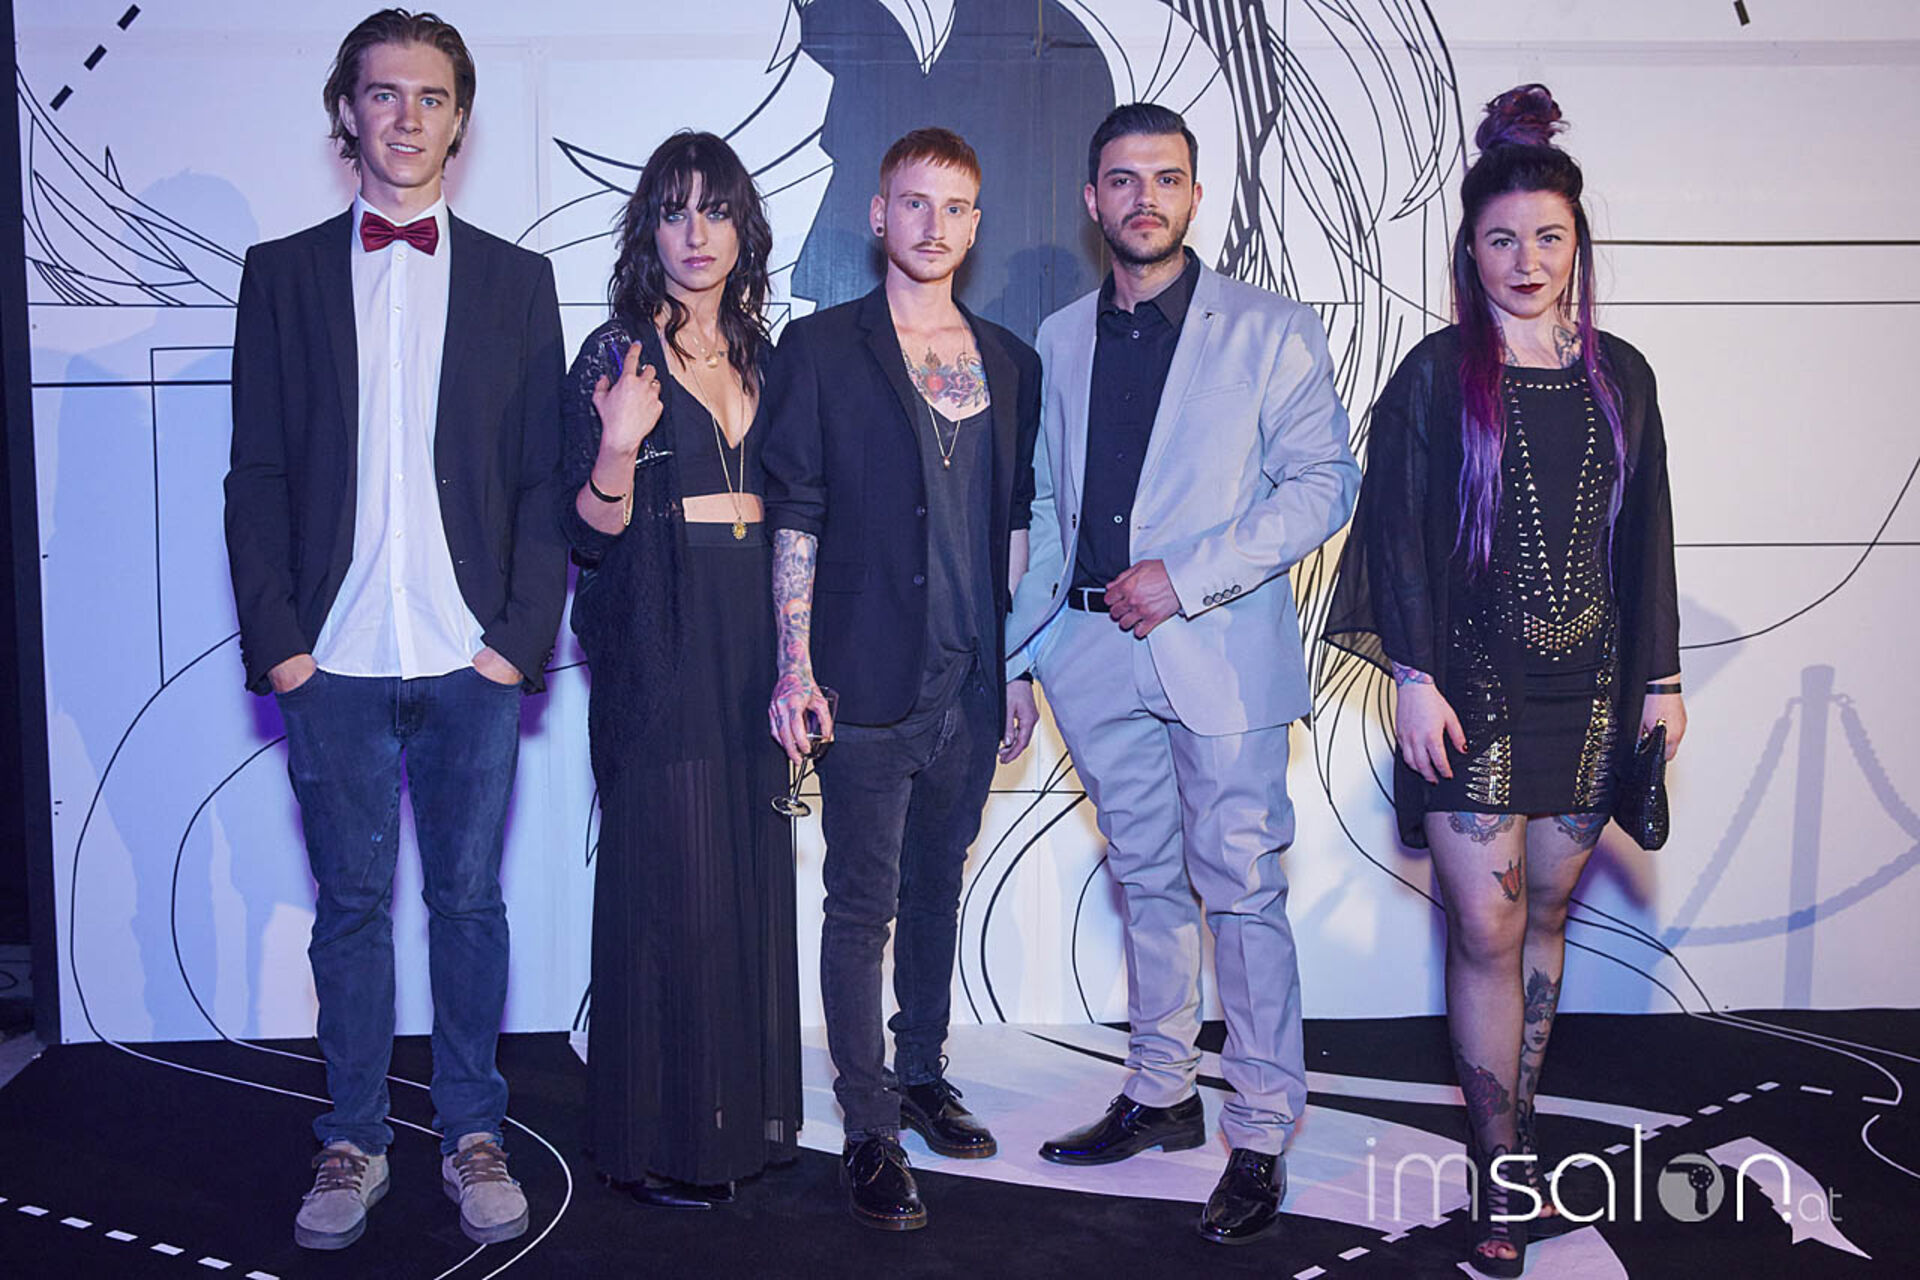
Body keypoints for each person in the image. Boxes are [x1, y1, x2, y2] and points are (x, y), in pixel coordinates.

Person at [1322, 84, 1685, 1276]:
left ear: (1578, 245)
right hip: (1469, 693)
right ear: (1468, 251)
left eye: (1548, 237)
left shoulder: (1624, 375)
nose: (1526, 260)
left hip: (1590, 694)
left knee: (1546, 925)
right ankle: (1499, 1166)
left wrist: (1661, 678)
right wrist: (1412, 675)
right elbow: (1392, 535)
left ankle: (1516, 1134)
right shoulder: (1434, 375)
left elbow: (1649, 537)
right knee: (1487, 927)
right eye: (1501, 239)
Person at [223, 8, 566, 1251]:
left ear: (459, 119)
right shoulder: (283, 274)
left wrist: (515, 640)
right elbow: (256, 473)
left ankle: (473, 1130)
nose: (407, 116)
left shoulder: (519, 283)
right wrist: (283, 647)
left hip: (472, 659)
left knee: (470, 905)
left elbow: (542, 479)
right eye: (384, 93)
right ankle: (354, 1138)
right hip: (334, 661)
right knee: (352, 912)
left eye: (430, 96)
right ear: (346, 112)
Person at [1005, 101, 1359, 1245]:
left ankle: (1259, 1130)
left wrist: (1187, 576)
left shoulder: (1271, 328)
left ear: (1196, 196)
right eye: (1123, 179)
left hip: (1219, 650)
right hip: (1090, 651)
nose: (1144, 198)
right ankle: (1161, 1090)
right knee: (1145, 879)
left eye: (1166, 178)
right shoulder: (1060, 336)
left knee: (1241, 890)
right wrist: (1024, 650)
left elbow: (1325, 484)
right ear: (1093, 199)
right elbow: (1046, 503)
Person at [763, 127, 1041, 1232]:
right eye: (915, 203)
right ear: (879, 215)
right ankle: (868, 1122)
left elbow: (1015, 525)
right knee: (860, 904)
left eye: (956, 206)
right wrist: (796, 665)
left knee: (937, 889)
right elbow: (796, 513)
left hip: (972, 682)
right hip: (865, 680)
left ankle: (922, 1071)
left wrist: (1016, 666)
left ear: (976, 224)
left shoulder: (1010, 360)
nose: (935, 225)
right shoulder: (821, 348)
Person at [558, 130, 802, 1210]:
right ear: (647, 230)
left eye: (716, 209)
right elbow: (585, 534)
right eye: (674, 210)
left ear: (744, 227)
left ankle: (737, 1124)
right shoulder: (616, 357)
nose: (696, 233)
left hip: (760, 638)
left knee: (747, 881)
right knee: (676, 889)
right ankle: (659, 1140)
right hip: (665, 639)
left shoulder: (766, 354)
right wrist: (617, 446)